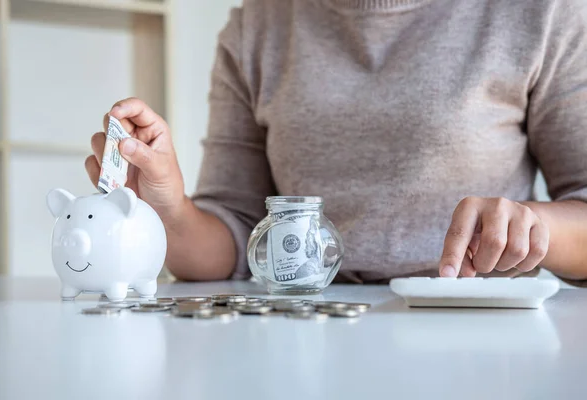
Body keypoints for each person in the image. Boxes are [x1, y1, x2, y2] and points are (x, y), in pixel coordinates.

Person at [85, 0, 587, 285]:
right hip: (303, 330)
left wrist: (534, 226)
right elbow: (235, 245)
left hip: (479, 337)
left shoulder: (541, 13)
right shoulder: (256, 27)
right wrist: (167, 205)